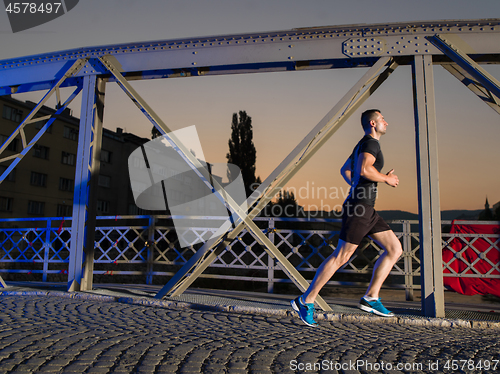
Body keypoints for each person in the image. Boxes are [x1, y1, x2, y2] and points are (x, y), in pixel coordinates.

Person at [291, 109, 403, 326]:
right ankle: (306, 300)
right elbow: (364, 170)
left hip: (365, 208)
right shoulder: (372, 144)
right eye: (382, 120)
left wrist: (358, 188)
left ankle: (371, 297)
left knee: (395, 249)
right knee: (341, 256)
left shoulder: (362, 144)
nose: (386, 123)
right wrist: (386, 179)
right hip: (359, 209)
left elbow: (345, 170)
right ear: (373, 123)